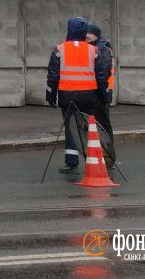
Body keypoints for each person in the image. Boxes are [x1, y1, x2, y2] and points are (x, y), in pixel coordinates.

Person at [45, 16, 105, 173]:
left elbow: (52, 76)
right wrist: (104, 98)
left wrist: (50, 97)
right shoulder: (94, 50)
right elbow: (101, 76)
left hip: (67, 96)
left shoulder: (59, 49)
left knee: (70, 128)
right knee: (89, 128)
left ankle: (71, 164)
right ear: (84, 31)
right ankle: (93, 160)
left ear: (69, 30)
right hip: (89, 96)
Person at [86, 22, 116, 162]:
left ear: (95, 35)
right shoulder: (95, 47)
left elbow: (103, 74)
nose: (86, 36)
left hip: (102, 92)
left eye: (89, 34)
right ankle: (102, 152)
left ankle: (108, 153)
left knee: (103, 125)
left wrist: (103, 96)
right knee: (98, 124)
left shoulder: (103, 49)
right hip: (97, 92)